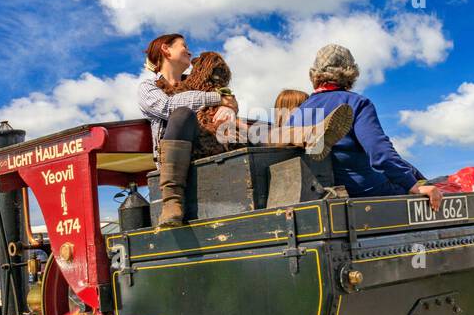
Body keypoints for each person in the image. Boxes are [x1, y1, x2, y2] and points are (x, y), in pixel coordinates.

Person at [138, 34, 352, 228]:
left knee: (249, 126)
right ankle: (172, 203)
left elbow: (230, 99)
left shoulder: (197, 83)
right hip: (178, 155)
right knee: (182, 114)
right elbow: (167, 107)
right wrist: (217, 99)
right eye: (183, 46)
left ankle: (309, 135)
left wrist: (228, 108)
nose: (189, 51)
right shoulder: (149, 87)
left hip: (214, 142)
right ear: (166, 50)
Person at [284, 43, 443, 207]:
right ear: (350, 72)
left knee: (409, 169)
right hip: (364, 189)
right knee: (420, 181)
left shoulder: (297, 114)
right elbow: (380, 154)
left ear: (315, 74)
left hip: (320, 192)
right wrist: (414, 186)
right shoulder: (355, 103)